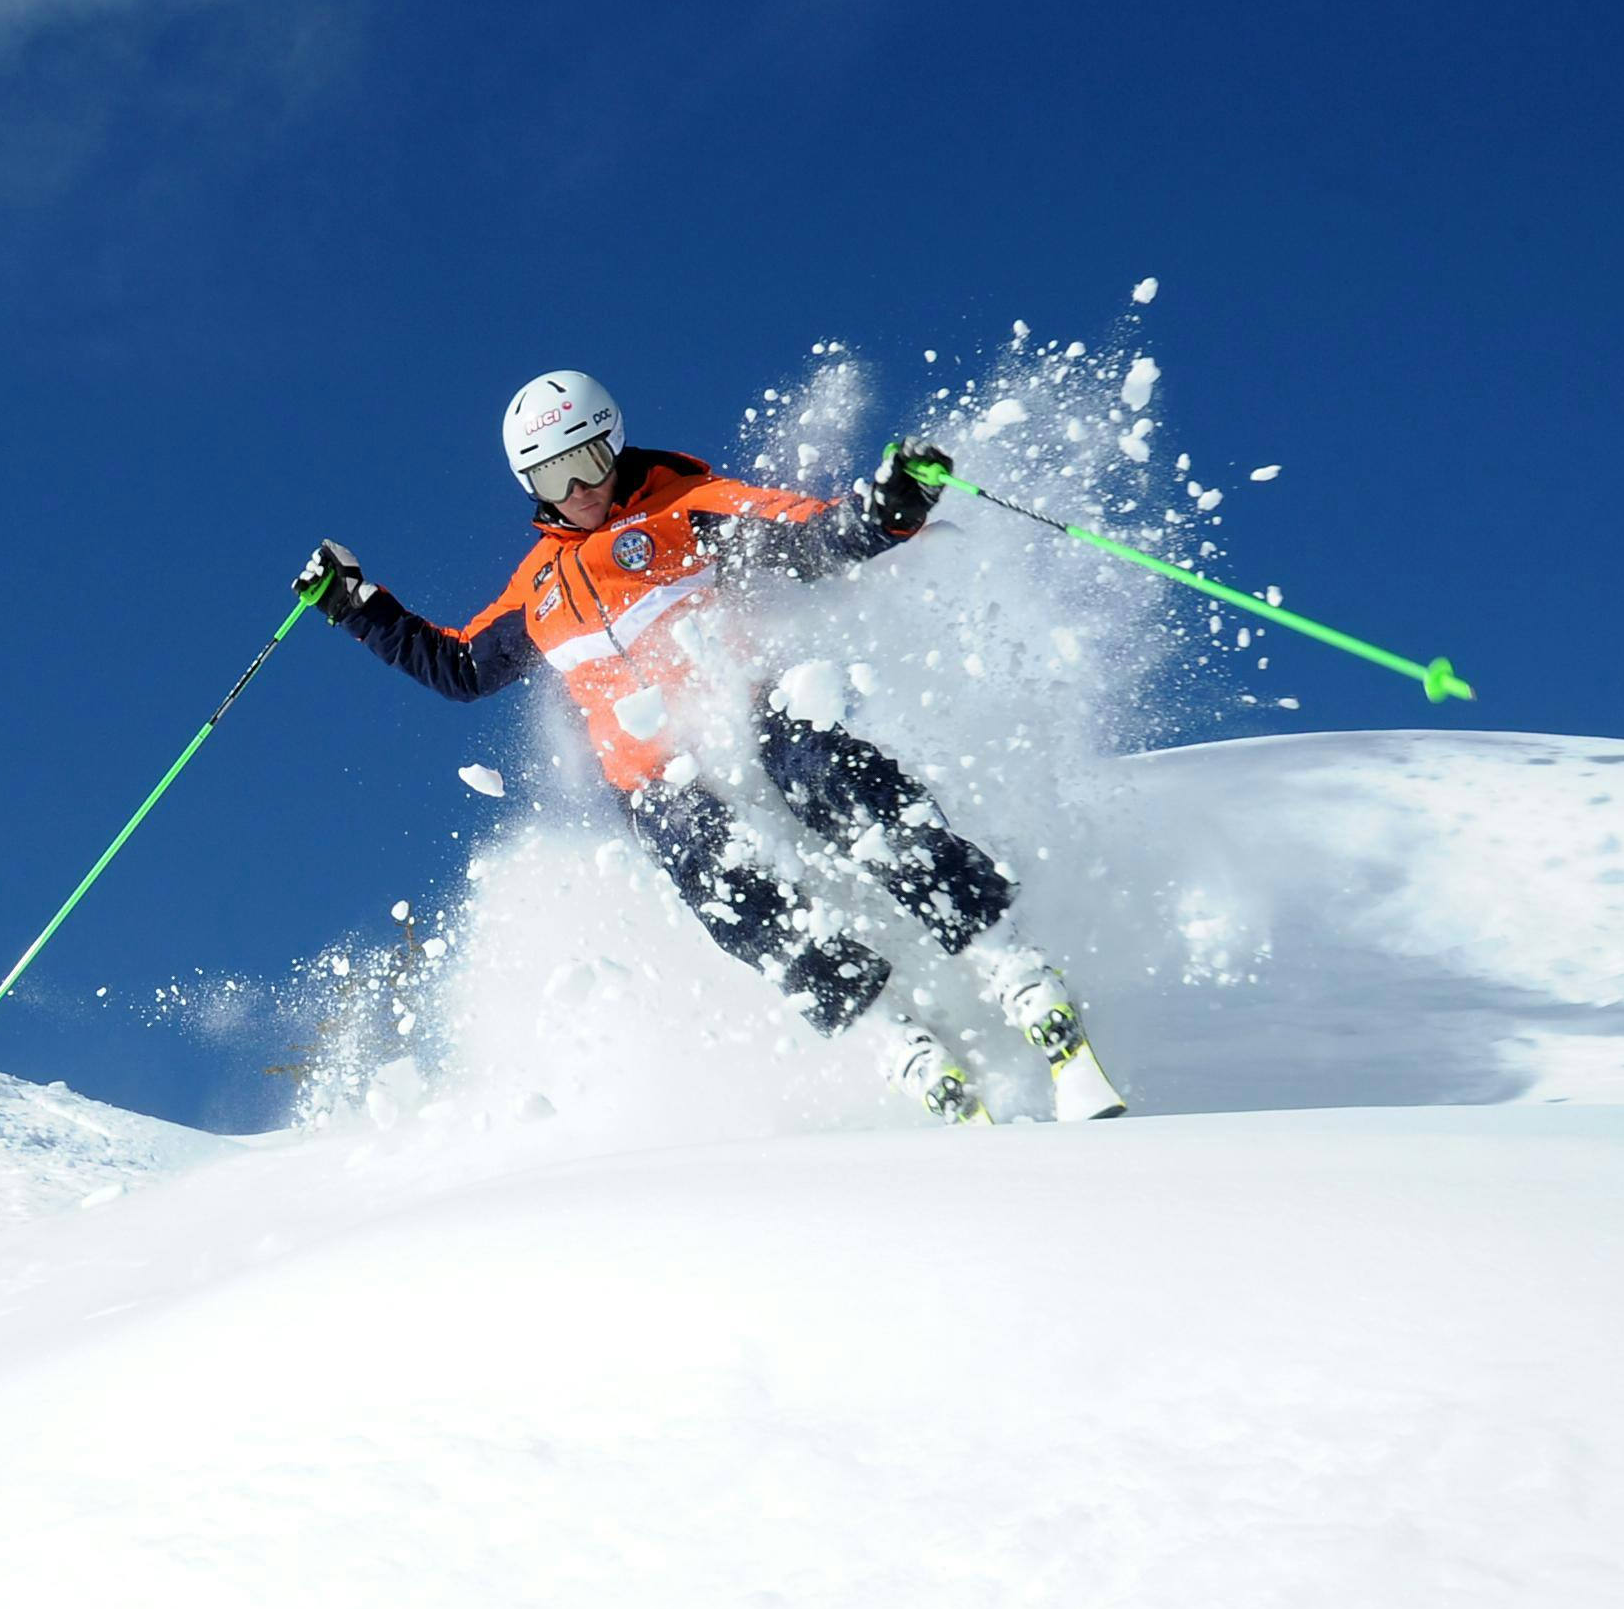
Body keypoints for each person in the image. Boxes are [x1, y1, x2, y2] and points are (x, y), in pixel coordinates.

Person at [295, 368, 1125, 1121]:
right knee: (714, 874)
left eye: (589, 460)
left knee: (832, 777)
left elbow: (806, 535)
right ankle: (889, 1034)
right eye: (554, 475)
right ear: (530, 485)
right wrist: (353, 603)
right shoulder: (536, 590)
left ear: (614, 442)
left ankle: (1008, 966)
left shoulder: (684, 505)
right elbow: (460, 668)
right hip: (655, 774)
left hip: (748, 711)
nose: (579, 488)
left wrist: (884, 512)